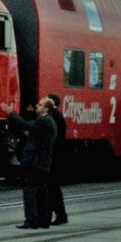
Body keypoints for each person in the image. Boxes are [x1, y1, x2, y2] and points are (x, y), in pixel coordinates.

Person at [1, 98, 57, 229]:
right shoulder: (47, 121)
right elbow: (33, 131)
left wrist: (12, 113)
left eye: (40, 104)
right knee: (41, 191)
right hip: (41, 162)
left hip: (35, 161)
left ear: (47, 108)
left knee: (30, 190)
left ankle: (31, 220)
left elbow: (27, 126)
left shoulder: (44, 120)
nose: (37, 106)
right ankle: (43, 220)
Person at [46, 92, 68, 225]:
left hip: (52, 157)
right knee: (52, 187)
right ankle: (57, 215)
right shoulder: (56, 115)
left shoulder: (52, 116)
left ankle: (59, 216)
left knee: (51, 187)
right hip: (55, 156)